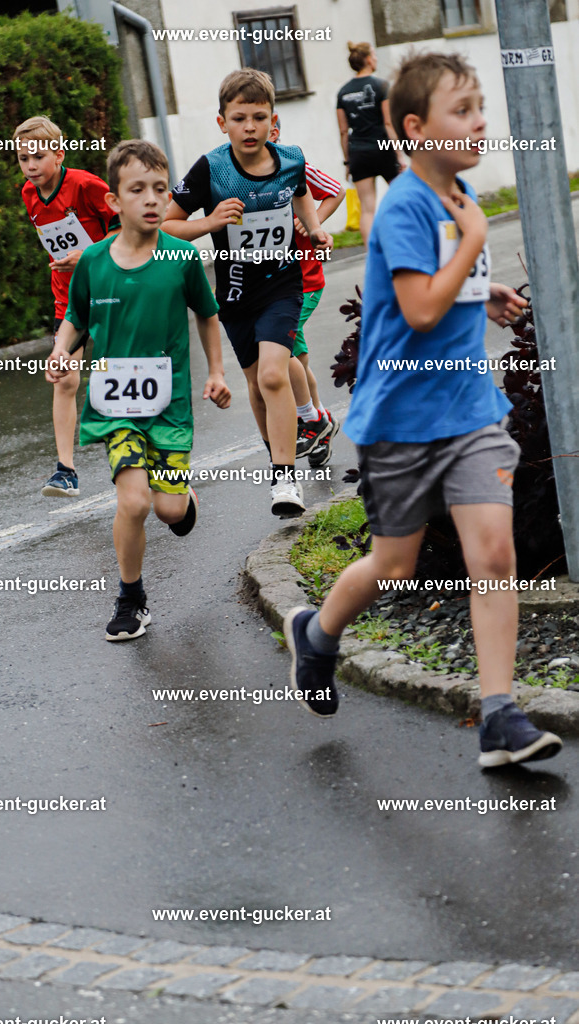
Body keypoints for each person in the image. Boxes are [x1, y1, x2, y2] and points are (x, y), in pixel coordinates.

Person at [285, 52, 563, 769]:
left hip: (469, 412)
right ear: (415, 126)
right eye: (462, 109)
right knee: (395, 563)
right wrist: (474, 242)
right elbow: (417, 303)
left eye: (480, 108)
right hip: (403, 421)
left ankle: (500, 714)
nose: (479, 122)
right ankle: (316, 635)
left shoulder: (457, 193)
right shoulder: (410, 204)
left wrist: (485, 289)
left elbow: (447, 288)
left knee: (493, 557)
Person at [46, 140, 230, 641]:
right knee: (133, 503)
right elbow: (75, 318)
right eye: (137, 190)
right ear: (114, 202)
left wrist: (215, 371)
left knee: (170, 511)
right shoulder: (95, 262)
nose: (152, 199)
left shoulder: (182, 257)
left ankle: (182, 496)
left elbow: (208, 316)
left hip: (168, 408)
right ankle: (132, 599)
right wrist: (62, 349)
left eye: (159, 189)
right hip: (114, 405)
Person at [163, 68, 333, 518]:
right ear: (223, 122)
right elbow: (167, 223)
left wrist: (314, 229)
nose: (250, 127)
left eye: (259, 117)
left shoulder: (291, 158)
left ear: (273, 120)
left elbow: (301, 195)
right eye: (240, 118)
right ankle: (279, 461)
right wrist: (210, 221)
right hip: (235, 294)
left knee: (275, 376)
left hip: (282, 284)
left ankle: (285, 477)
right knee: (257, 387)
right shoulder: (211, 169)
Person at [14, 116, 120, 498]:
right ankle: (65, 471)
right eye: (22, 158)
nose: (29, 166)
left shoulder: (87, 185)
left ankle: (145, 456)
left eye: (37, 157)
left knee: (118, 374)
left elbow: (126, 226)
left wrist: (87, 256)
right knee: (65, 377)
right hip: (70, 300)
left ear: (59, 155)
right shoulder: (28, 194)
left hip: (111, 291)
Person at [270, 116, 345, 468]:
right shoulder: (242, 175)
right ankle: (318, 422)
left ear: (276, 130)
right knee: (295, 359)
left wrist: (312, 218)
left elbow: (337, 189)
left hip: (305, 281)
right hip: (273, 283)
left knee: (282, 349)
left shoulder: (292, 164)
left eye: (267, 128)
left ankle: (314, 421)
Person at [336, 42, 405, 246]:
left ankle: (371, 255)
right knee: (401, 197)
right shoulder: (382, 86)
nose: (376, 59)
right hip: (383, 149)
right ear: (367, 59)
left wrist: (347, 162)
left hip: (358, 152)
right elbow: (388, 122)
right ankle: (402, 242)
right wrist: (399, 155)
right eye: (374, 55)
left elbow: (343, 131)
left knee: (367, 209)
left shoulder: (343, 92)